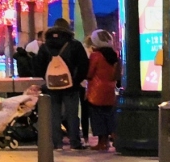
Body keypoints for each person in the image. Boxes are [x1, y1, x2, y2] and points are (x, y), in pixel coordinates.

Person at [40, 18, 89, 150]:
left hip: (52, 86)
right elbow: (84, 65)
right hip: (71, 86)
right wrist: (76, 81)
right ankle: (75, 142)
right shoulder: (75, 45)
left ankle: (56, 142)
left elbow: (38, 65)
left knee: (54, 113)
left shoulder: (45, 46)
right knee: (72, 114)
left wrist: (47, 79)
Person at [85, 29, 119, 151]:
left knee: (97, 117)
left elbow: (89, 73)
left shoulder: (96, 55)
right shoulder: (114, 55)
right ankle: (114, 138)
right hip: (110, 89)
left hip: (96, 91)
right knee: (109, 115)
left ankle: (102, 142)